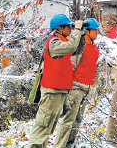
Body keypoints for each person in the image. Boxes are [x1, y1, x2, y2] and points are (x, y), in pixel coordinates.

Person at [27, 14, 86, 148]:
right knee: (43, 125)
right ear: (59, 28)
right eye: (68, 27)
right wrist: (77, 30)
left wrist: (81, 33)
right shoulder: (54, 43)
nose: (71, 29)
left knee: (48, 126)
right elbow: (71, 47)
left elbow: (76, 49)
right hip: (52, 90)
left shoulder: (62, 41)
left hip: (59, 90)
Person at [53, 18, 100, 148]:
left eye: (97, 29)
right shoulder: (79, 45)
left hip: (87, 87)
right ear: (87, 31)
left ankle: (69, 144)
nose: (97, 32)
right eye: (94, 30)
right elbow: (71, 65)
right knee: (68, 119)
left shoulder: (95, 46)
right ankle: (59, 146)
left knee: (77, 119)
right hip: (76, 86)